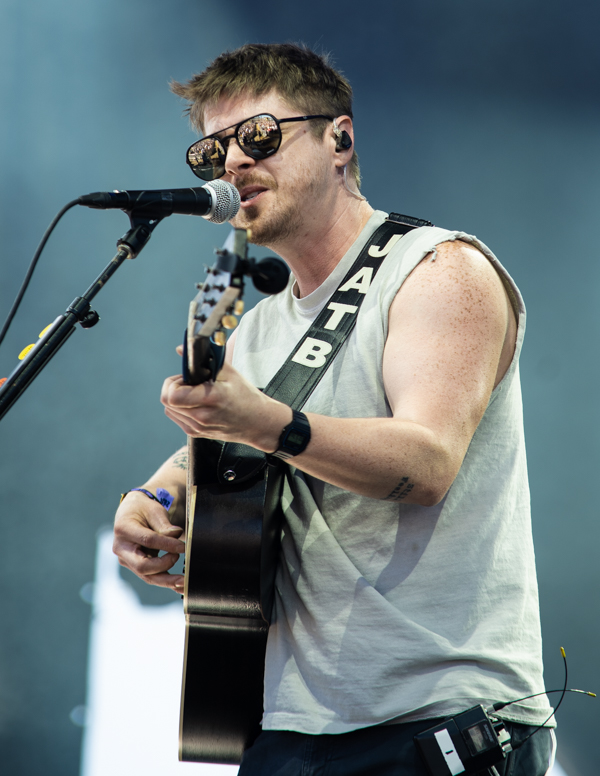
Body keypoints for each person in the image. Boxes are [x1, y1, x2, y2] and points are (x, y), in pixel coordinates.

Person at [113, 43, 556, 775]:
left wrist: (259, 420)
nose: (232, 163)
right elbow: (225, 444)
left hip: (438, 711)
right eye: (212, 152)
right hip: (289, 721)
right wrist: (155, 498)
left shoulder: (437, 270)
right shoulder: (257, 327)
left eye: (258, 136)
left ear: (339, 140)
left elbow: (427, 463)